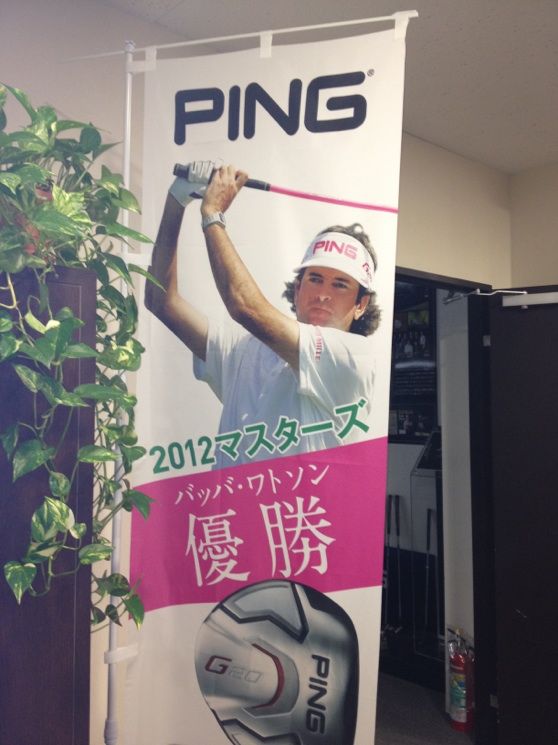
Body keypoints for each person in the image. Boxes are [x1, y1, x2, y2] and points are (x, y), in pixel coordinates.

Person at [145, 162, 381, 466]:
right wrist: (177, 200)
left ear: (361, 304)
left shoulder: (353, 357)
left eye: (340, 285)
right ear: (298, 288)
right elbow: (161, 301)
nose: (323, 293)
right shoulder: (247, 348)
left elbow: (244, 306)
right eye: (315, 279)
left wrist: (213, 215)